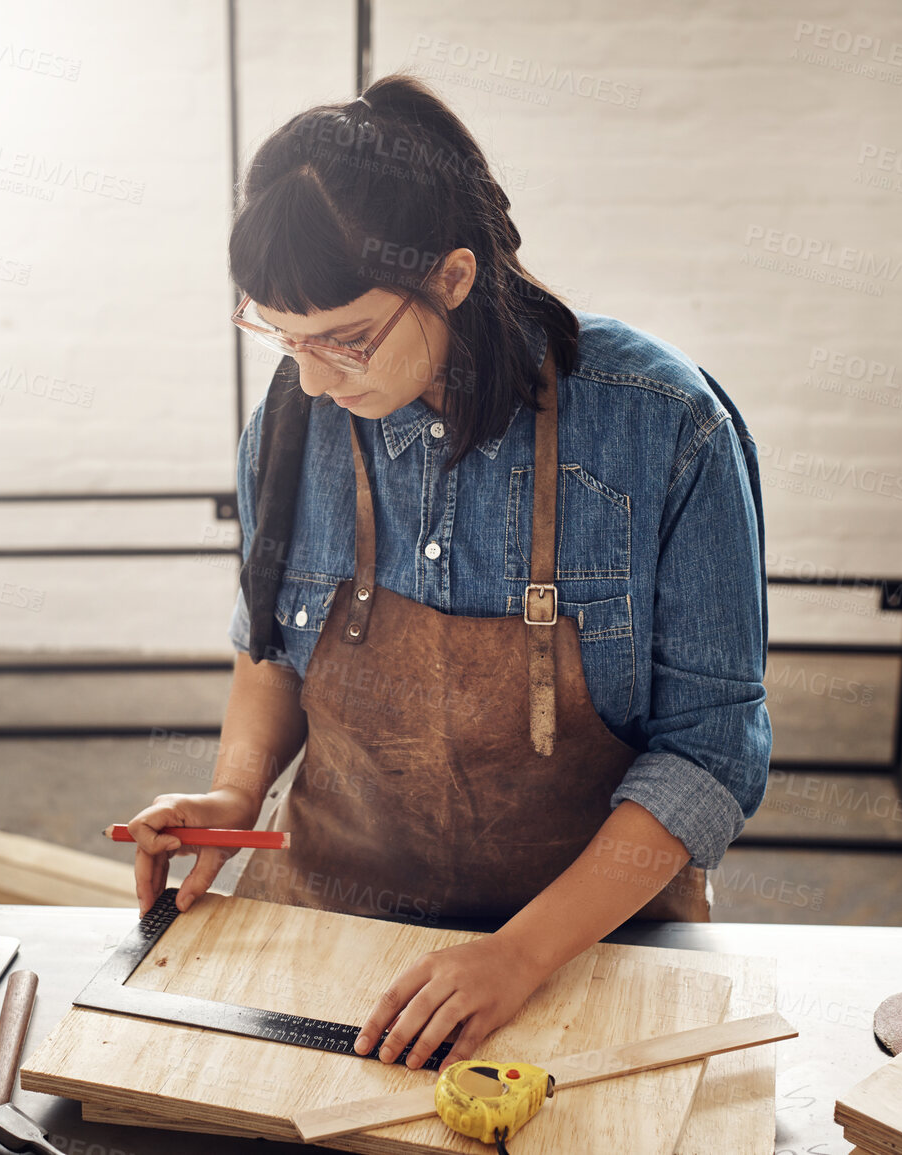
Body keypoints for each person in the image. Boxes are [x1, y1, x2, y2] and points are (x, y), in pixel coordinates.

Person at [125, 73, 771, 1074]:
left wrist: (519, 955)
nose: (311, 378)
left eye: (345, 338)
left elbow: (711, 751)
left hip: (592, 952)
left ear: (455, 276)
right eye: (281, 336)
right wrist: (234, 796)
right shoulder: (297, 417)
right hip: (336, 937)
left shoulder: (662, 425)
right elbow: (269, 652)